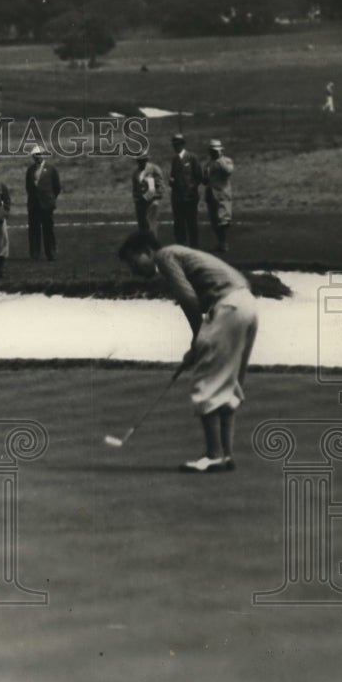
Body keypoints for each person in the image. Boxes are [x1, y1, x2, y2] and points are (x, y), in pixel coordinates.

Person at [117, 230, 258, 473]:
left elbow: (187, 297)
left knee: (207, 380)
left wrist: (197, 341)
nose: (133, 270)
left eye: (133, 261)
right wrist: (199, 341)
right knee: (227, 382)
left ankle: (214, 455)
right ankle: (226, 455)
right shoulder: (181, 255)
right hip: (247, 305)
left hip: (230, 305)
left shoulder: (165, 256)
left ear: (148, 252)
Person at [24, 145, 61, 261]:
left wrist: (49, 198)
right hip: (34, 204)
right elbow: (28, 187)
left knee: (48, 229)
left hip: (46, 204)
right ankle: (35, 253)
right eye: (35, 156)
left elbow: (57, 187)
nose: (37, 157)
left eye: (39, 155)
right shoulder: (30, 170)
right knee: (34, 229)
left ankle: (50, 252)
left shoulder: (51, 169)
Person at [168, 133, 202, 248]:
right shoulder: (174, 159)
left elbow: (198, 176)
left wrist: (192, 188)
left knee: (191, 222)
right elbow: (173, 175)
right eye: (174, 144)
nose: (175, 146)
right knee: (179, 223)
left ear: (182, 144)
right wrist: (171, 181)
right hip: (177, 197)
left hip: (190, 196)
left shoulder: (192, 157)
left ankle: (194, 246)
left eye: (177, 144)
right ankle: (181, 245)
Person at [202, 139, 235, 252]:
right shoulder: (208, 164)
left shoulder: (226, 161)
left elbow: (228, 171)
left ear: (220, 150)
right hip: (211, 195)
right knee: (215, 221)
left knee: (223, 220)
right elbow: (205, 181)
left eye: (215, 151)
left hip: (222, 194)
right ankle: (221, 243)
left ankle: (224, 243)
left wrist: (219, 160)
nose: (213, 153)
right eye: (211, 151)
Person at [132, 152, 164, 233]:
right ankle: (144, 244)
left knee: (151, 226)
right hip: (140, 203)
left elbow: (160, 186)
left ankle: (153, 244)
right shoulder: (136, 172)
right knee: (142, 226)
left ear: (146, 160)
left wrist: (156, 199)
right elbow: (135, 188)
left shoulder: (154, 169)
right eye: (138, 160)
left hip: (151, 202)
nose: (140, 162)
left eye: (142, 160)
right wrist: (136, 199)